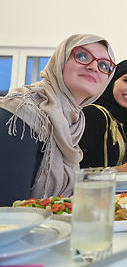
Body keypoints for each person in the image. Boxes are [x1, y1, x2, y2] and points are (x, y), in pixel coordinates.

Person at [0, 34, 115, 206]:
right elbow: (8, 210)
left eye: (104, 65)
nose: (93, 67)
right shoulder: (21, 111)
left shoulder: (76, 122)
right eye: (82, 56)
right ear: (60, 61)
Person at [79, 60, 127, 172]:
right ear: (112, 80)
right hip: (96, 189)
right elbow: (73, 171)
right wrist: (117, 170)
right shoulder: (93, 114)